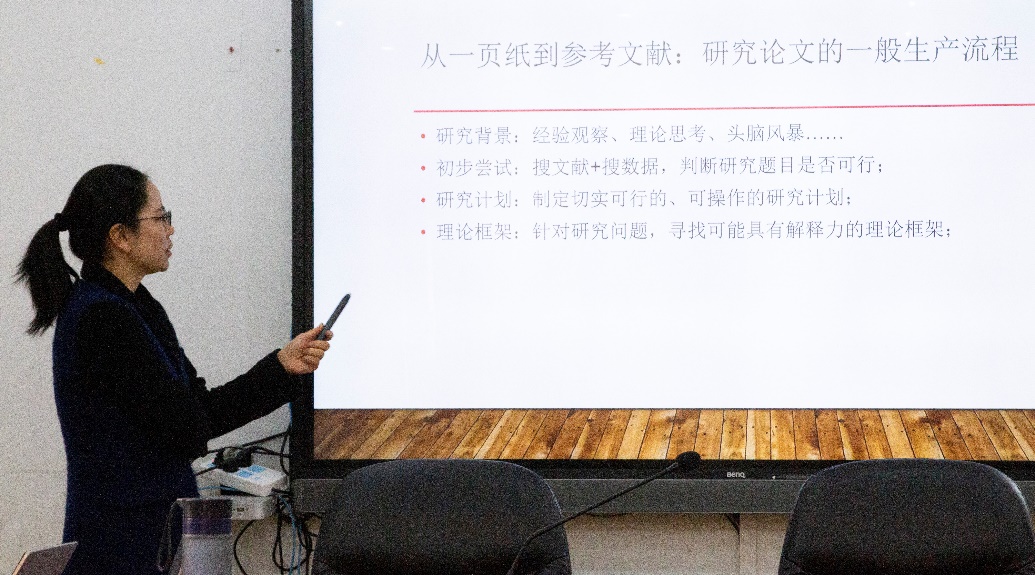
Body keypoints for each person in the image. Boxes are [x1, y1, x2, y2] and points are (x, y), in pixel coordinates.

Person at [17, 164, 331, 575]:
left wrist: (282, 366)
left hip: (147, 533)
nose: (170, 229)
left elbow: (195, 408)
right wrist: (277, 371)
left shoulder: (136, 306)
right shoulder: (103, 317)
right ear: (120, 236)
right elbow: (187, 425)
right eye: (160, 217)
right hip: (123, 541)